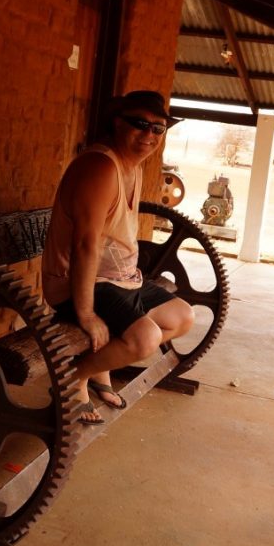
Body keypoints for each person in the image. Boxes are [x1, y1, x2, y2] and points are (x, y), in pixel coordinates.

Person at [41, 91, 195, 424]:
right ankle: (74, 377)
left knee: (181, 317)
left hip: (120, 280)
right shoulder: (100, 166)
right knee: (146, 339)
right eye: (140, 124)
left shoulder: (133, 165)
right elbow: (85, 244)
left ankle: (101, 367)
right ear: (116, 123)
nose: (149, 135)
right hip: (81, 283)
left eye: (158, 128)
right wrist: (85, 313)